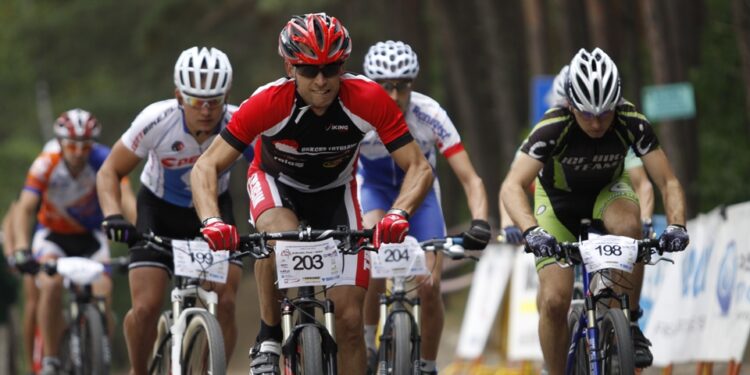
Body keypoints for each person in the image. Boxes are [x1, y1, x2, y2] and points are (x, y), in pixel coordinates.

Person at [190, 13, 434, 374]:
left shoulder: (368, 99)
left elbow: (419, 167)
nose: (321, 81)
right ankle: (269, 336)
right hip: (278, 183)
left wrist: (399, 213)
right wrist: (212, 220)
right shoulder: (267, 102)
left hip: (336, 191)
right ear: (290, 67)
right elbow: (205, 166)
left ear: (343, 65)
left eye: (330, 68)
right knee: (275, 237)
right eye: (308, 70)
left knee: (351, 321)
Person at [499, 48, 689, 374]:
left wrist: (677, 226)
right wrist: (533, 230)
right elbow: (511, 185)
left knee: (632, 230)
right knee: (555, 300)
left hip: (607, 193)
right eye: (587, 113)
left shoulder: (632, 121)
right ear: (570, 104)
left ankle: (626, 324)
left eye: (605, 112)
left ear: (617, 102)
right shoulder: (552, 126)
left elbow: (667, 181)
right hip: (558, 204)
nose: (597, 122)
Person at [96, 46, 247, 374]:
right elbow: (109, 171)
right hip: (159, 212)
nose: (205, 111)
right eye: (195, 100)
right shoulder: (156, 120)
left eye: (215, 101)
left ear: (227, 96)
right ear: (178, 95)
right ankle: (139, 370)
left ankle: (212, 366)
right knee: (147, 306)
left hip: (213, 211)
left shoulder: (239, 122)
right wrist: (112, 215)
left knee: (228, 300)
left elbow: (266, 169)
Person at [358, 40, 491, 374]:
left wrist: (480, 222)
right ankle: (366, 341)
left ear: (412, 85)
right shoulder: (358, 117)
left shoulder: (429, 114)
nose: (392, 96)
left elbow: (471, 179)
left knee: (430, 285)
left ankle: (428, 364)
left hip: (422, 196)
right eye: (383, 87)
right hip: (373, 190)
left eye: (401, 86)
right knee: (373, 261)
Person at [12, 109, 136, 375]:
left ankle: (99, 350)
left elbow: (126, 197)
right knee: (51, 284)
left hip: (90, 237)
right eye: (71, 145)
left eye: (85, 146)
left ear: (93, 144)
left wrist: (140, 234)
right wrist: (22, 248)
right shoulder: (46, 163)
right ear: (59, 143)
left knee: (103, 289)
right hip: (52, 237)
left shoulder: (103, 159)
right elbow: (25, 208)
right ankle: (51, 359)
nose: (79, 152)